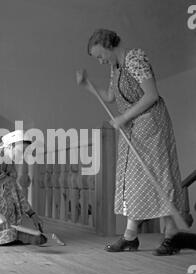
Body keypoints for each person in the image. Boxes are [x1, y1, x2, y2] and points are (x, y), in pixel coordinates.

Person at [81, 28, 195, 255]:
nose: (100, 61)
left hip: (151, 124)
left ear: (108, 45)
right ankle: (131, 236)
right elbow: (111, 98)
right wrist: (88, 86)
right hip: (133, 127)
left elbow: (151, 95)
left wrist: (123, 117)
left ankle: (169, 234)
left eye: (100, 55)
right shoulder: (116, 68)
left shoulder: (135, 59)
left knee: (155, 177)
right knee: (133, 180)